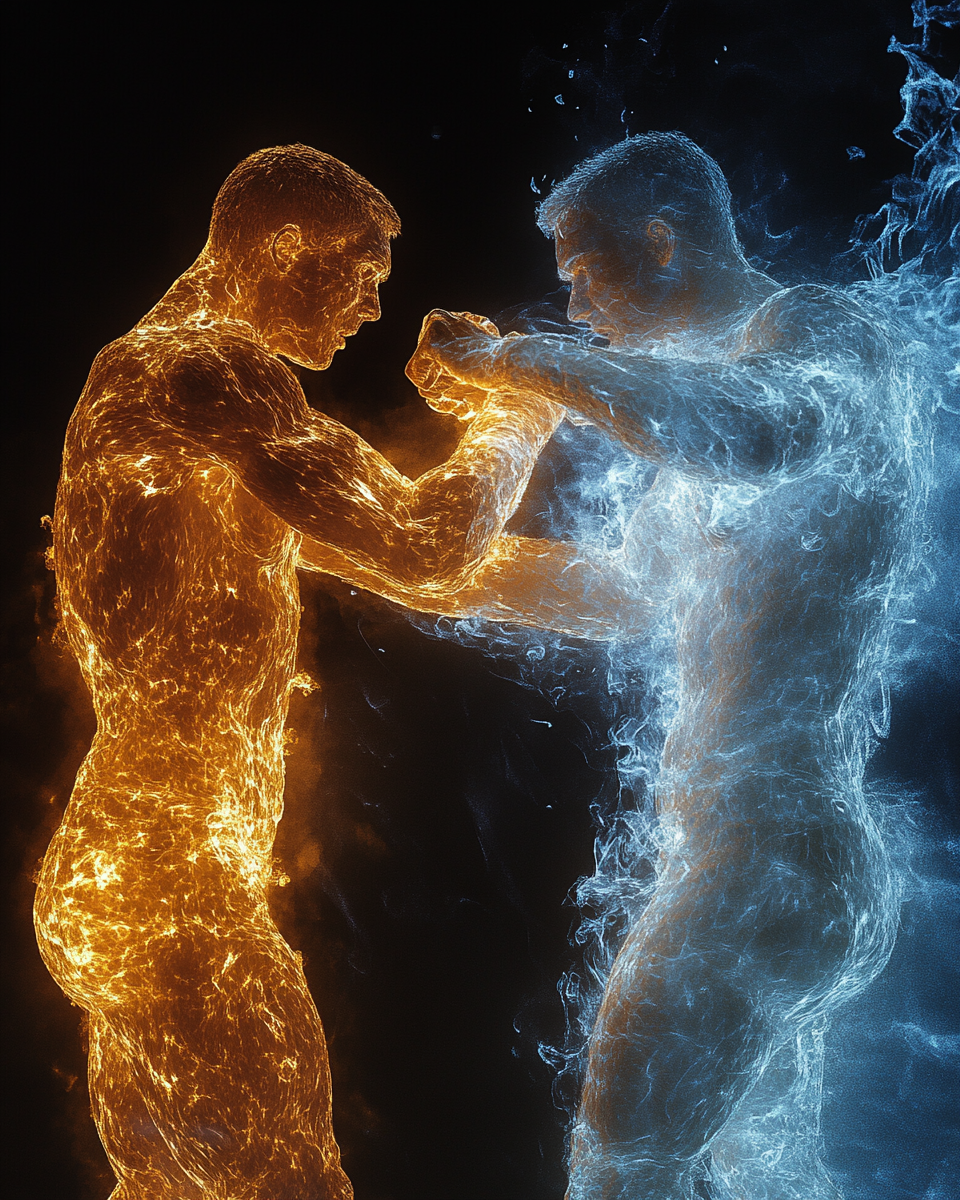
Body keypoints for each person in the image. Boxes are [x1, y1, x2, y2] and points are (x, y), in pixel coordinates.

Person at [33, 144, 561, 1200]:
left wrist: (657, 592)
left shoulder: (176, 417)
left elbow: (430, 572)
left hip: (133, 878)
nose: (371, 307)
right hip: (181, 894)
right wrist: (521, 412)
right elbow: (425, 539)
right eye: (361, 273)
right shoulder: (204, 368)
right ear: (278, 249)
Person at [390, 133, 908, 1198]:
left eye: (582, 273)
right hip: (760, 862)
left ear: (663, 241)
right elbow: (619, 595)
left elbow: (745, 437)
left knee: (625, 1161)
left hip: (772, 857)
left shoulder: (813, 333)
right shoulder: (715, 414)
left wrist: (514, 362)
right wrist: (373, 548)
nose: (575, 308)